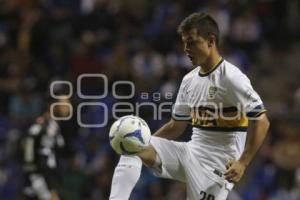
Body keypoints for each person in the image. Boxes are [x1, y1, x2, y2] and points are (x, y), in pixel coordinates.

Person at [109, 12, 270, 200]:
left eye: (192, 42)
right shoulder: (189, 80)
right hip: (190, 153)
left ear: (211, 41)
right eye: (184, 43)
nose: (186, 48)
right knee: (131, 143)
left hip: (216, 169)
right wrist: (144, 140)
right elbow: (176, 126)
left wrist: (243, 162)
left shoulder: (231, 78)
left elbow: (262, 121)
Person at [22, 97, 69, 200]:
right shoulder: (42, 124)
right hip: (41, 172)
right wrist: (30, 168)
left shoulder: (55, 125)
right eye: (63, 104)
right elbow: (30, 144)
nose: (67, 107)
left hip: (48, 171)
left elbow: (60, 146)